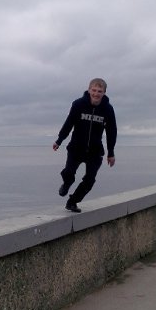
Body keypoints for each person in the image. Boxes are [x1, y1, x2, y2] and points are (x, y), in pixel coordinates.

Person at [53, 78, 117, 213]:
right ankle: (67, 183)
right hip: (76, 148)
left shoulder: (108, 109)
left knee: (90, 180)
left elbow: (111, 131)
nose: (96, 94)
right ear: (89, 90)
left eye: (99, 91)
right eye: (94, 90)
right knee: (69, 173)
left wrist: (111, 153)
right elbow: (69, 123)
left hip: (95, 151)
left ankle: (72, 202)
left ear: (104, 92)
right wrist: (59, 140)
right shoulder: (78, 104)